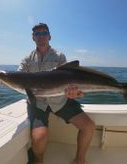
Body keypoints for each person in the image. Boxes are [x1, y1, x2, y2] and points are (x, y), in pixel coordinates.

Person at [18, 23, 95, 164]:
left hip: (60, 100)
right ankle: (38, 160)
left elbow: (69, 80)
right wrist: (5, 80)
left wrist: (74, 93)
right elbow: (19, 77)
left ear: (49, 36)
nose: (41, 36)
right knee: (39, 138)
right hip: (38, 102)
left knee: (88, 126)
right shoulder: (27, 59)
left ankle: (80, 160)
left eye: (44, 33)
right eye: (37, 34)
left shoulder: (59, 56)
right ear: (33, 38)